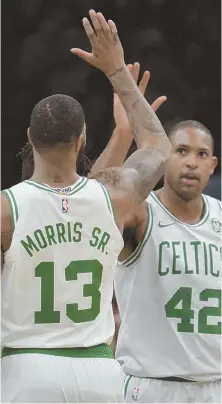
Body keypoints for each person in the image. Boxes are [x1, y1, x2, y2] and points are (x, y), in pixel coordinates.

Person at [1, 10, 171, 403]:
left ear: (29, 137)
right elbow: (158, 146)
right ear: (81, 141)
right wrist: (117, 71)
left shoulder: (7, 210)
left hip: (28, 369)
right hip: (99, 374)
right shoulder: (114, 196)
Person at [96, 85, 221, 402]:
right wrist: (124, 133)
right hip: (151, 385)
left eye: (201, 154)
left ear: (212, 166)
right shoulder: (142, 214)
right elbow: (94, 203)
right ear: (165, 157)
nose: (191, 162)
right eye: (181, 151)